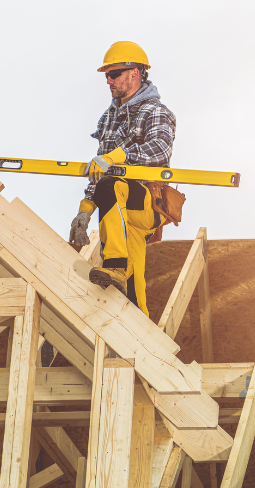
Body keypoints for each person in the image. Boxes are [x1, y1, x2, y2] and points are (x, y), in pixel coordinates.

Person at [69, 41, 176, 317]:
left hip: (146, 204)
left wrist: (117, 156)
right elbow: (98, 170)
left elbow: (160, 150)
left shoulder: (156, 112)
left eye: (114, 74)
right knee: (131, 288)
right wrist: (85, 210)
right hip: (116, 211)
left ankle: (114, 262)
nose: (109, 80)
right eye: (107, 75)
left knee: (111, 184)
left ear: (135, 73)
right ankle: (144, 341)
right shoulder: (108, 119)